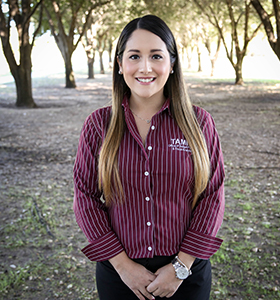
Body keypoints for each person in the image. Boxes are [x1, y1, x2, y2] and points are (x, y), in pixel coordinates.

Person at [73, 14, 225, 300]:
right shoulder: (98, 125)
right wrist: (123, 265)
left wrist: (180, 266)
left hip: (186, 275)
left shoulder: (199, 122)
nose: (145, 67)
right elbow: (85, 197)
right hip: (120, 276)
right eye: (134, 56)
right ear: (120, 65)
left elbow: (212, 196)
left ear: (172, 63)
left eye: (156, 56)